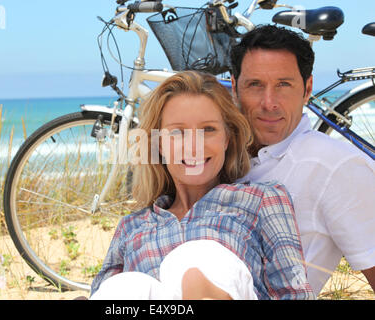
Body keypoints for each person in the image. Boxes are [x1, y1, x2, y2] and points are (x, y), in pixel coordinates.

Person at [90, 71, 314, 300]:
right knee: (128, 286)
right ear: (158, 144)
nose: (194, 146)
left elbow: (295, 293)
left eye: (208, 130)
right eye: (178, 132)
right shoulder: (132, 227)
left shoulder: (261, 199)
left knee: (198, 257)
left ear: (226, 138)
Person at [230, 24, 375, 296]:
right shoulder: (215, 155)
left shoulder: (335, 166)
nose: (269, 102)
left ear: (307, 89)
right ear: (235, 87)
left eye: (284, 84)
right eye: (255, 85)